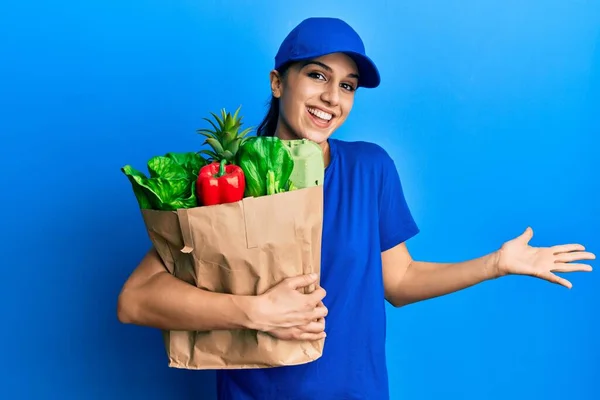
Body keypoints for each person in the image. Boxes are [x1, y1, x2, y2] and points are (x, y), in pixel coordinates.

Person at [117, 17, 596, 400]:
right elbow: (136, 300)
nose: (331, 97)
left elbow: (399, 282)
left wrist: (495, 264)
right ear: (278, 82)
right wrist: (255, 312)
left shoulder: (372, 169)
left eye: (347, 86)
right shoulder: (230, 178)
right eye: (317, 75)